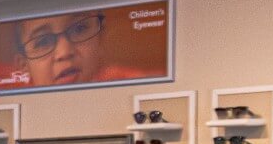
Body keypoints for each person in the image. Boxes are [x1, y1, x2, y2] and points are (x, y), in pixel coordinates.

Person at [11, 11, 161, 89]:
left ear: (101, 38)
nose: (64, 52)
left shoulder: (137, 83)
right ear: (24, 65)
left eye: (79, 28)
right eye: (43, 41)